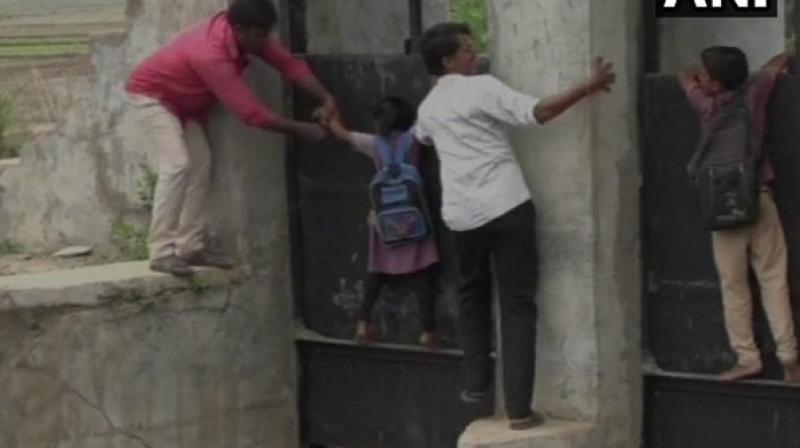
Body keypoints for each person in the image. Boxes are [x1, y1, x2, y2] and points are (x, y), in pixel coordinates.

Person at [414, 22, 615, 430]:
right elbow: (537, 111)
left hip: (462, 217)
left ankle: (475, 383)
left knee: (472, 295)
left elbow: (422, 139)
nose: (476, 54)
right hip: (507, 206)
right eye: (468, 49)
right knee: (517, 303)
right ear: (449, 61)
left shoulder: (428, 108)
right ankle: (520, 410)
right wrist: (588, 86)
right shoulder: (482, 87)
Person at [126, 0, 335, 276]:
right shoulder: (210, 53)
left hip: (183, 104)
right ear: (240, 29)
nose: (265, 42)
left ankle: (190, 246)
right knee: (178, 164)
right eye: (260, 36)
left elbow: (288, 64)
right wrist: (302, 129)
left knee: (200, 165)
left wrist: (326, 97)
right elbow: (251, 114)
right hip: (153, 96)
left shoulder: (249, 34)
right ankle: (161, 252)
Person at [679, 47, 800, 383]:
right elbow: (781, 61)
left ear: (714, 84)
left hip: (722, 207)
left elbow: (683, 74)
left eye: (706, 75)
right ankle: (789, 356)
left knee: (734, 286)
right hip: (758, 196)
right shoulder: (756, 92)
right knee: (773, 279)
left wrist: (697, 80)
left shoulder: (703, 103)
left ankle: (748, 358)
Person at [321, 97, 442, 350]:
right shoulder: (414, 137)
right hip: (414, 217)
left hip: (383, 218)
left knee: (377, 270)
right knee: (422, 273)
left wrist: (329, 115)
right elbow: (431, 116)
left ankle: (363, 323)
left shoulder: (373, 144)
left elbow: (342, 134)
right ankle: (428, 332)